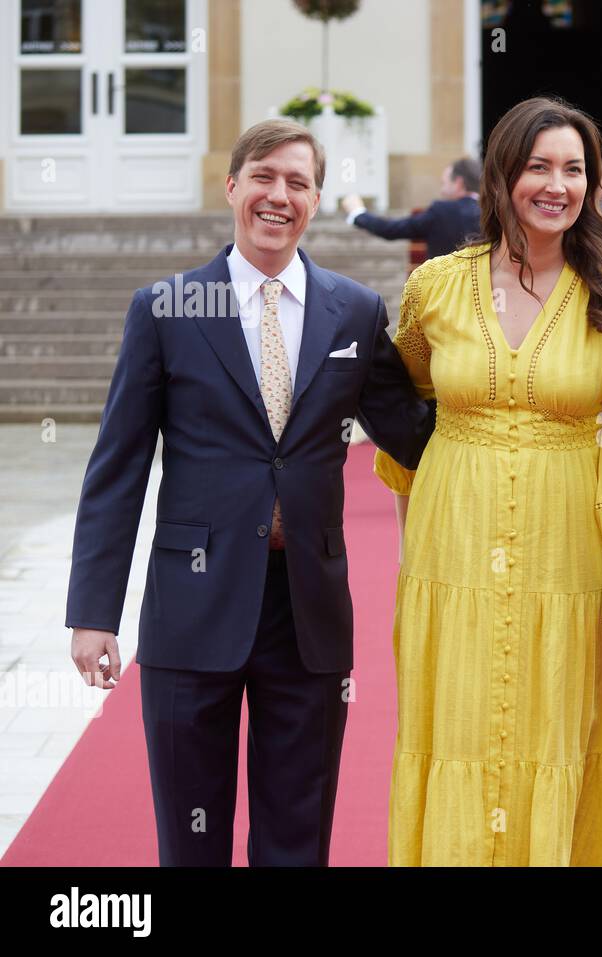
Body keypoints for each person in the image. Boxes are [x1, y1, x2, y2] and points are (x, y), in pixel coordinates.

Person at [65, 119, 438, 866]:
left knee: (297, 839)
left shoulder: (356, 313)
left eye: (298, 182)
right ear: (232, 186)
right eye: (263, 176)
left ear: (316, 200)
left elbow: (418, 438)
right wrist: (92, 613)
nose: (279, 195)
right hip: (191, 607)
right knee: (192, 840)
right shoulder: (166, 309)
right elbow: (118, 466)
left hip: (308, 612)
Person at [372, 96, 602, 866]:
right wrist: (423, 515)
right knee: (461, 729)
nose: (557, 184)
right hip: (454, 555)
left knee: (559, 733)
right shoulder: (433, 288)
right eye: (538, 166)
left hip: (574, 558)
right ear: (502, 176)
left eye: (575, 169)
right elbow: (403, 400)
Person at [342, 157, 482, 258]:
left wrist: (358, 213)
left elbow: (391, 230)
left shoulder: (441, 211)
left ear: (458, 183)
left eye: (443, 184)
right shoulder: (493, 211)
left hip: (444, 292)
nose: (442, 191)